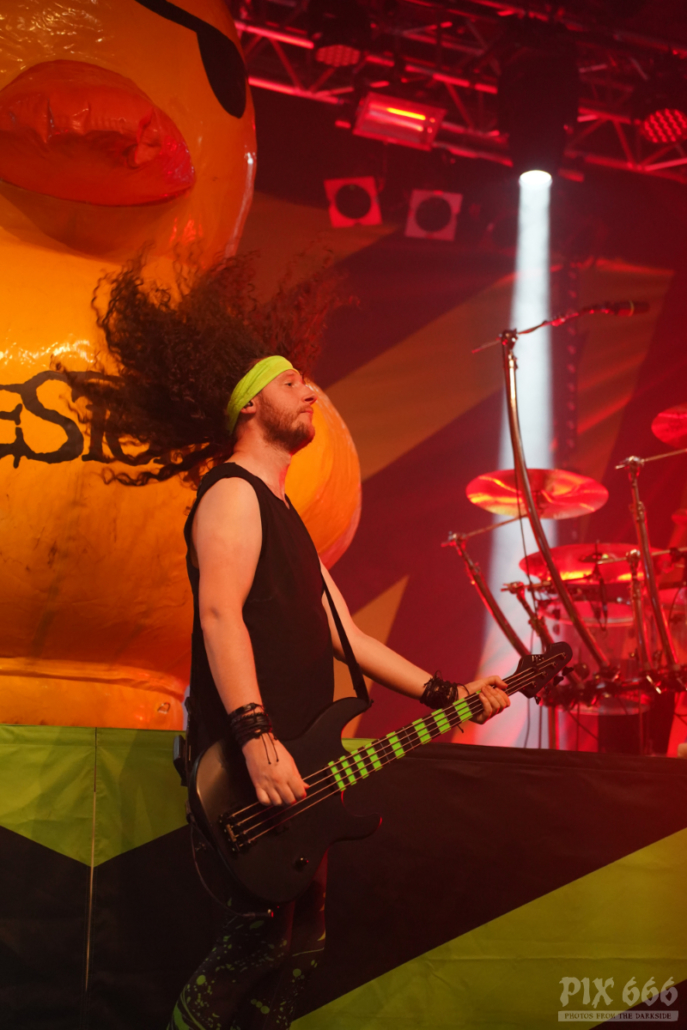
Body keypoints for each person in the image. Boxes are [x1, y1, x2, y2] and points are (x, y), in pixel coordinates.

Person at [61, 253, 510, 1030]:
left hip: (302, 765)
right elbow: (219, 617)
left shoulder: (285, 515)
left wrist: (447, 693)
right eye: (292, 381)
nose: (310, 391)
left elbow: (350, 636)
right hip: (253, 765)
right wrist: (257, 738)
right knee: (252, 943)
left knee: (301, 946)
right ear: (249, 405)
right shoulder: (231, 492)